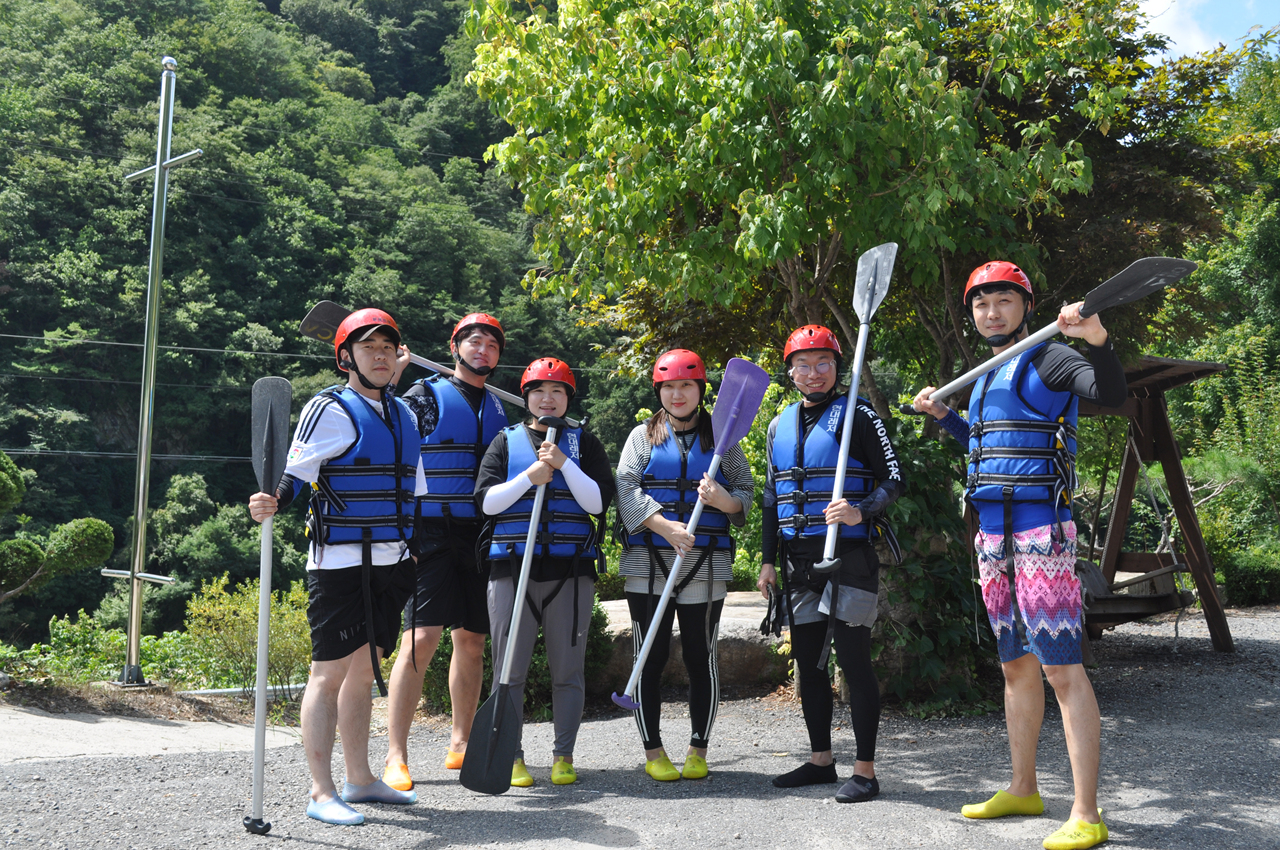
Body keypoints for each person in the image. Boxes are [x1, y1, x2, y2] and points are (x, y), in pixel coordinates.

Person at [911, 261, 1126, 850]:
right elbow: (987, 445)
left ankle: (1087, 812)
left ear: (1026, 307)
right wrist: (945, 417)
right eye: (982, 305)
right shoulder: (984, 376)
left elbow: (1111, 393)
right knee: (1015, 666)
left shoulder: (1049, 358)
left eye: (1004, 301)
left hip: (1041, 534)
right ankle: (1023, 787)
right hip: (992, 537)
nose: (992, 313)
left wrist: (1097, 340)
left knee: (1061, 669)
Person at [248, 308, 423, 825]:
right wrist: (271, 500)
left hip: (393, 560)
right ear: (346, 357)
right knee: (327, 675)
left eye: (388, 348)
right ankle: (321, 791)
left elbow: (414, 490)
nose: (380, 356)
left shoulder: (405, 415)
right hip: (340, 562)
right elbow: (294, 475)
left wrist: (416, 551)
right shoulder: (329, 408)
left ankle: (360, 780)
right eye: (369, 348)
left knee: (364, 673)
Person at [758, 324, 905, 804]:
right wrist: (767, 561)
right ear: (790, 372)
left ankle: (865, 772)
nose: (814, 372)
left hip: (848, 557)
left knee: (855, 663)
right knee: (809, 664)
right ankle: (821, 760)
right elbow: (771, 498)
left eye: (823, 363)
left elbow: (894, 479)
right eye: (803, 365)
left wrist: (862, 509)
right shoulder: (778, 426)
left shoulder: (860, 415)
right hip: (799, 560)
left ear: (838, 367)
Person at [475, 358, 616, 787]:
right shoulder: (505, 442)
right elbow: (487, 503)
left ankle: (563, 755)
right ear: (527, 398)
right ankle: (511, 756)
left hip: (570, 571)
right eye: (539, 391)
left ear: (568, 399)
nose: (548, 398)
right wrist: (530, 477)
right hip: (511, 570)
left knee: (568, 671)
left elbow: (597, 503)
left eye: (557, 391)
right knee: (508, 671)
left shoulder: (584, 444)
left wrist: (563, 464)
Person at [382, 313, 509, 791]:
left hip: (479, 533)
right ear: (454, 348)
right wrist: (394, 373)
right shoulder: (425, 395)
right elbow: (387, 425)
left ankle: (462, 742)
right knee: (420, 639)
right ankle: (396, 754)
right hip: (430, 531)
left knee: (472, 640)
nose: (483, 350)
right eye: (474, 342)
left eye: (491, 345)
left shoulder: (498, 407)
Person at [615, 349, 755, 782]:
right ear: (659, 391)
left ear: (701, 390)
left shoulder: (722, 440)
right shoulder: (642, 436)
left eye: (686, 386)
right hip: (649, 562)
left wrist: (723, 500)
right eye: (669, 387)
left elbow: (746, 491)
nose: (678, 394)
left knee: (701, 656)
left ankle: (698, 748)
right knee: (649, 656)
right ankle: (654, 751)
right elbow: (625, 486)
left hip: (705, 565)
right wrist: (663, 526)